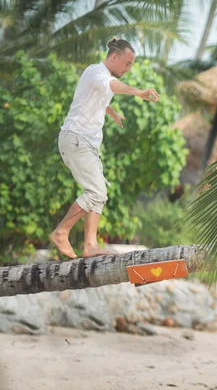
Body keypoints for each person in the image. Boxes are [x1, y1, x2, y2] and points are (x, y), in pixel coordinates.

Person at [49, 38, 160, 259]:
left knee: (99, 194)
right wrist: (138, 92)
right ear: (114, 57)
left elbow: (100, 98)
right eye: (127, 63)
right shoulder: (96, 72)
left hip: (86, 144)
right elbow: (111, 87)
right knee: (96, 191)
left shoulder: (101, 78)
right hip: (76, 139)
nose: (128, 69)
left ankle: (90, 245)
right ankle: (61, 232)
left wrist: (112, 113)